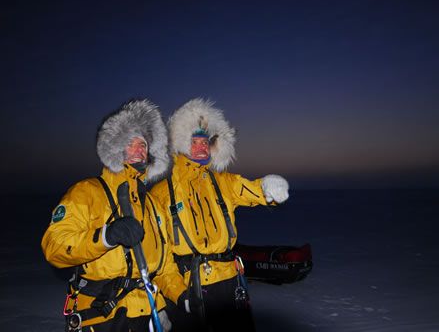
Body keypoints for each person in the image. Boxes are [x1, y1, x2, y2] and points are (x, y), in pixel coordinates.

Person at [41, 99, 187, 331]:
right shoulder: (86, 192)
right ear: (116, 146)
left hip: (148, 313)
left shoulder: (151, 204)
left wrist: (182, 295)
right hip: (102, 316)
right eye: (132, 143)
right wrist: (106, 237)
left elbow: (164, 264)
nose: (139, 150)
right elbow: (54, 247)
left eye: (144, 145)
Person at [150, 98, 289, 331]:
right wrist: (174, 296)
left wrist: (267, 189)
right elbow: (158, 258)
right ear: (181, 144)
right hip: (188, 289)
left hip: (229, 284)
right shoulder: (162, 193)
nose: (202, 147)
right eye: (195, 141)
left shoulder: (222, 183)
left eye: (206, 141)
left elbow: (249, 190)